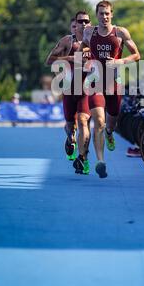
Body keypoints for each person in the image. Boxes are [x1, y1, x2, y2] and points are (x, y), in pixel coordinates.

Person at [81, 0, 140, 178]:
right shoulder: (89, 32)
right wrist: (86, 56)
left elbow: (137, 55)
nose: (104, 16)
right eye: (101, 13)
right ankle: (100, 161)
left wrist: (120, 61)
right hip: (95, 81)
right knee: (99, 120)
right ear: (96, 15)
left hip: (114, 82)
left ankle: (109, 133)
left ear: (111, 14)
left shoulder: (121, 32)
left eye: (107, 13)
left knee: (111, 122)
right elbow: (83, 45)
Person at [46, 11, 92, 174]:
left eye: (87, 21)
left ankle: (83, 159)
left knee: (83, 121)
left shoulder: (95, 40)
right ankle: (70, 138)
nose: (83, 24)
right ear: (75, 25)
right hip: (69, 89)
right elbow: (49, 60)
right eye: (80, 22)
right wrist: (70, 59)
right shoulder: (67, 41)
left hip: (87, 89)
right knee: (71, 126)